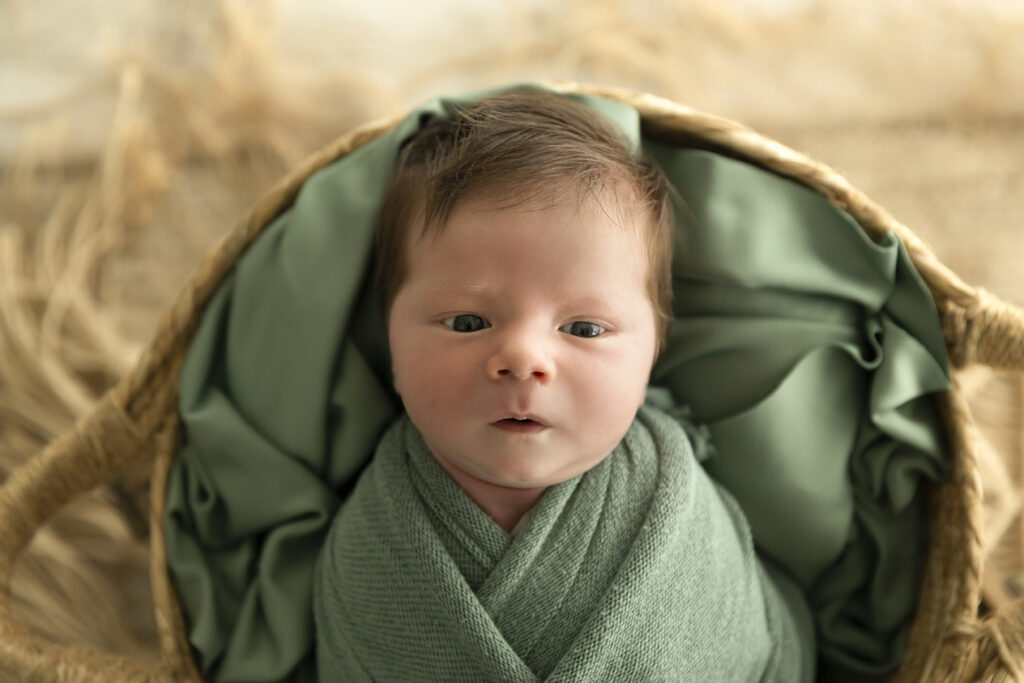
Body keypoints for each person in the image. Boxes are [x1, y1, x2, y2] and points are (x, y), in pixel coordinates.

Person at [313, 87, 816, 682]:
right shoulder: (371, 546)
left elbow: (753, 647)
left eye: (583, 327)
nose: (524, 359)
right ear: (389, 347)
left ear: (652, 353)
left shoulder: (676, 513)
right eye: (468, 322)